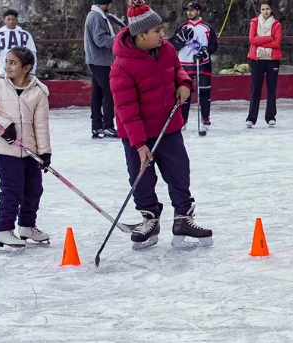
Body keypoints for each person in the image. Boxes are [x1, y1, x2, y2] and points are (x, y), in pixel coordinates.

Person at [111, 0, 213, 250]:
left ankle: (183, 219)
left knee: (179, 173)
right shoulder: (121, 66)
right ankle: (149, 219)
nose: (162, 35)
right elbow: (126, 110)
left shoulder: (166, 49)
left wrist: (184, 84)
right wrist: (139, 145)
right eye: (156, 31)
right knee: (142, 178)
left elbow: (178, 70)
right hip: (137, 135)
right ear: (141, 34)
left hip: (169, 128)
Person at [0, 46, 51, 248]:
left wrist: (44, 152)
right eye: (6, 61)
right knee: (12, 189)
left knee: (34, 189)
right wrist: (4, 126)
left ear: (27, 67)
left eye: (12, 63)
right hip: (6, 148)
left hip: (30, 150)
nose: (7, 66)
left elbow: (41, 124)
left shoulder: (38, 92)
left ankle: (26, 226)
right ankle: (3, 229)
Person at [170, 2, 218, 129]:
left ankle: (205, 117)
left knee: (204, 91)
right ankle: (183, 119)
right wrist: (179, 39)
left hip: (202, 64)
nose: (189, 13)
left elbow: (214, 45)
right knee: (184, 92)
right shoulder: (182, 27)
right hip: (185, 64)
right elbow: (173, 45)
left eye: (192, 10)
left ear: (198, 12)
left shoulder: (207, 28)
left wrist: (205, 52)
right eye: (188, 10)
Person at [85, 0, 124, 139]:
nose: (111, 6)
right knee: (108, 92)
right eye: (109, 3)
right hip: (100, 61)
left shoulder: (98, 15)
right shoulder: (96, 16)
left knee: (97, 93)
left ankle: (96, 126)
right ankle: (107, 126)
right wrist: (118, 40)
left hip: (98, 60)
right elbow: (100, 39)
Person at [245, 2, 281, 128]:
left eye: (267, 9)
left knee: (271, 89)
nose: (265, 11)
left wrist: (260, 41)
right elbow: (252, 40)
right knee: (255, 88)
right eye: (263, 9)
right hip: (257, 59)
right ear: (260, 10)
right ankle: (251, 118)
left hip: (272, 59)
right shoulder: (254, 22)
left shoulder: (276, 24)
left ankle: (270, 117)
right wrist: (268, 38)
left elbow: (276, 43)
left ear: (271, 10)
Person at [0, 10, 37, 78]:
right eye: (8, 19)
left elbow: (32, 53)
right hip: (4, 71)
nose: (11, 22)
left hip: (21, 71)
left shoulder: (25, 35)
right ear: (4, 20)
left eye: (13, 19)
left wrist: (32, 71)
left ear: (17, 20)